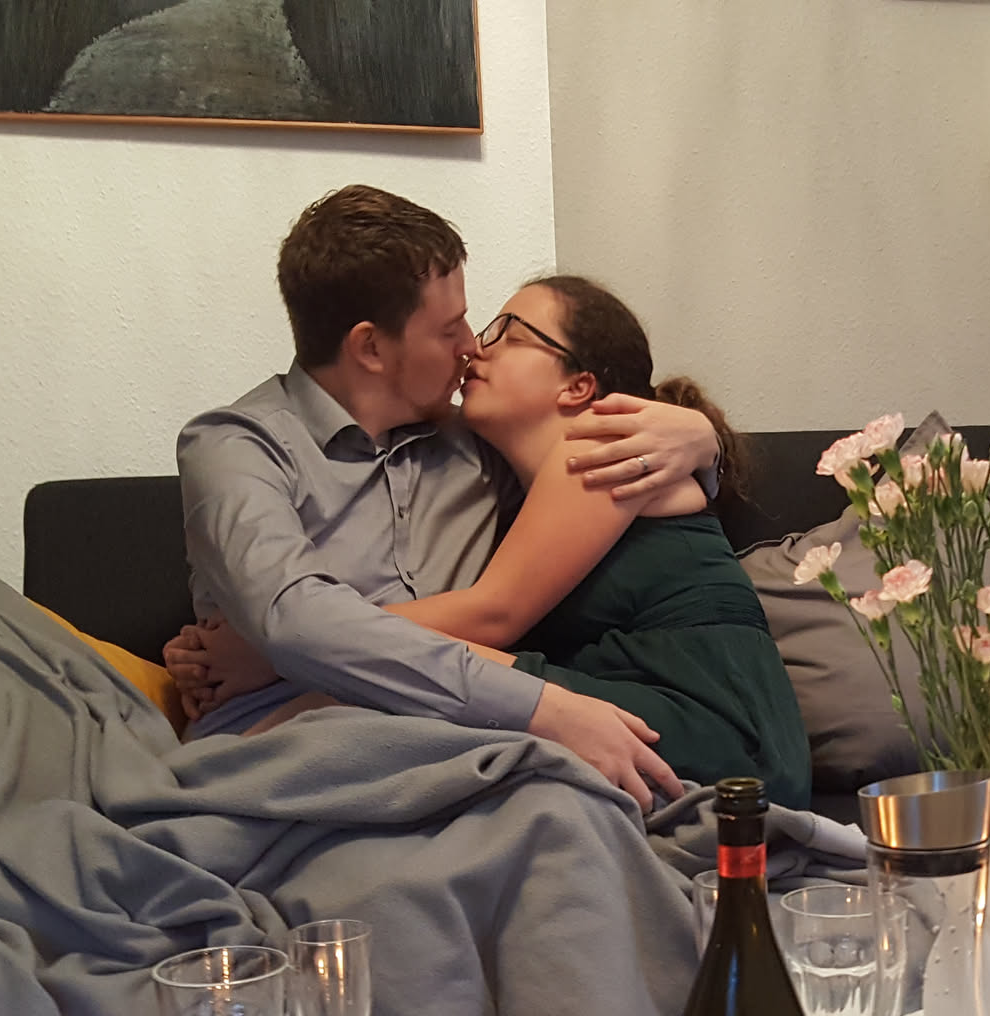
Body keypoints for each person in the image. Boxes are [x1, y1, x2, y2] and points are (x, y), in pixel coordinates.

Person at [166, 185, 723, 809]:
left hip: (457, 738)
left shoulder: (482, 441)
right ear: (370, 347)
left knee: (561, 817)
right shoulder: (234, 447)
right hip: (292, 743)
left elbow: (601, 463)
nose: (471, 346)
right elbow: (297, 621)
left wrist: (700, 440)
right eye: (449, 326)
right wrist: (542, 707)